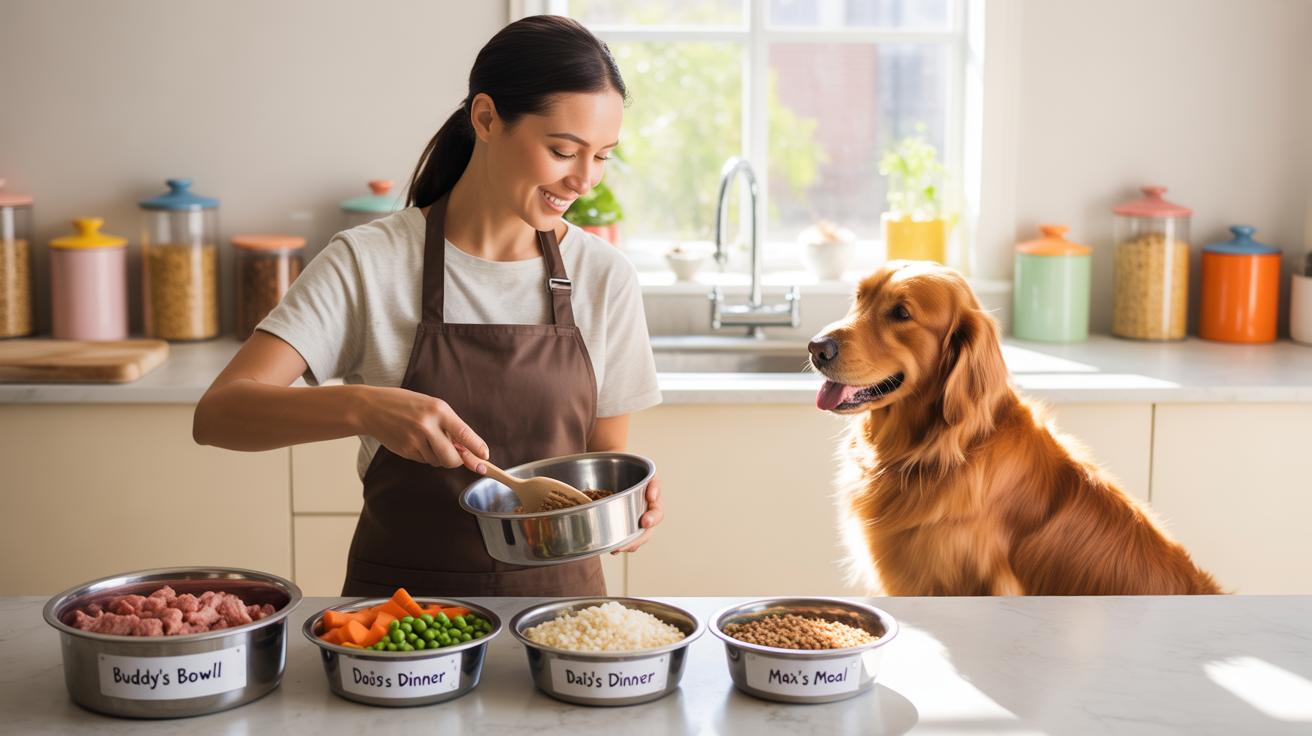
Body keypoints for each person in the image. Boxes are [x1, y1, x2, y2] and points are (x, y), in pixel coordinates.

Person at [193, 15, 663, 597]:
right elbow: (218, 415)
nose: (583, 180)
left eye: (602, 157)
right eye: (564, 150)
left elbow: (604, 454)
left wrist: (624, 503)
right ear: (487, 119)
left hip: (562, 621)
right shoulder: (370, 261)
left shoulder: (604, 277)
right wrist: (362, 408)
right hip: (399, 622)